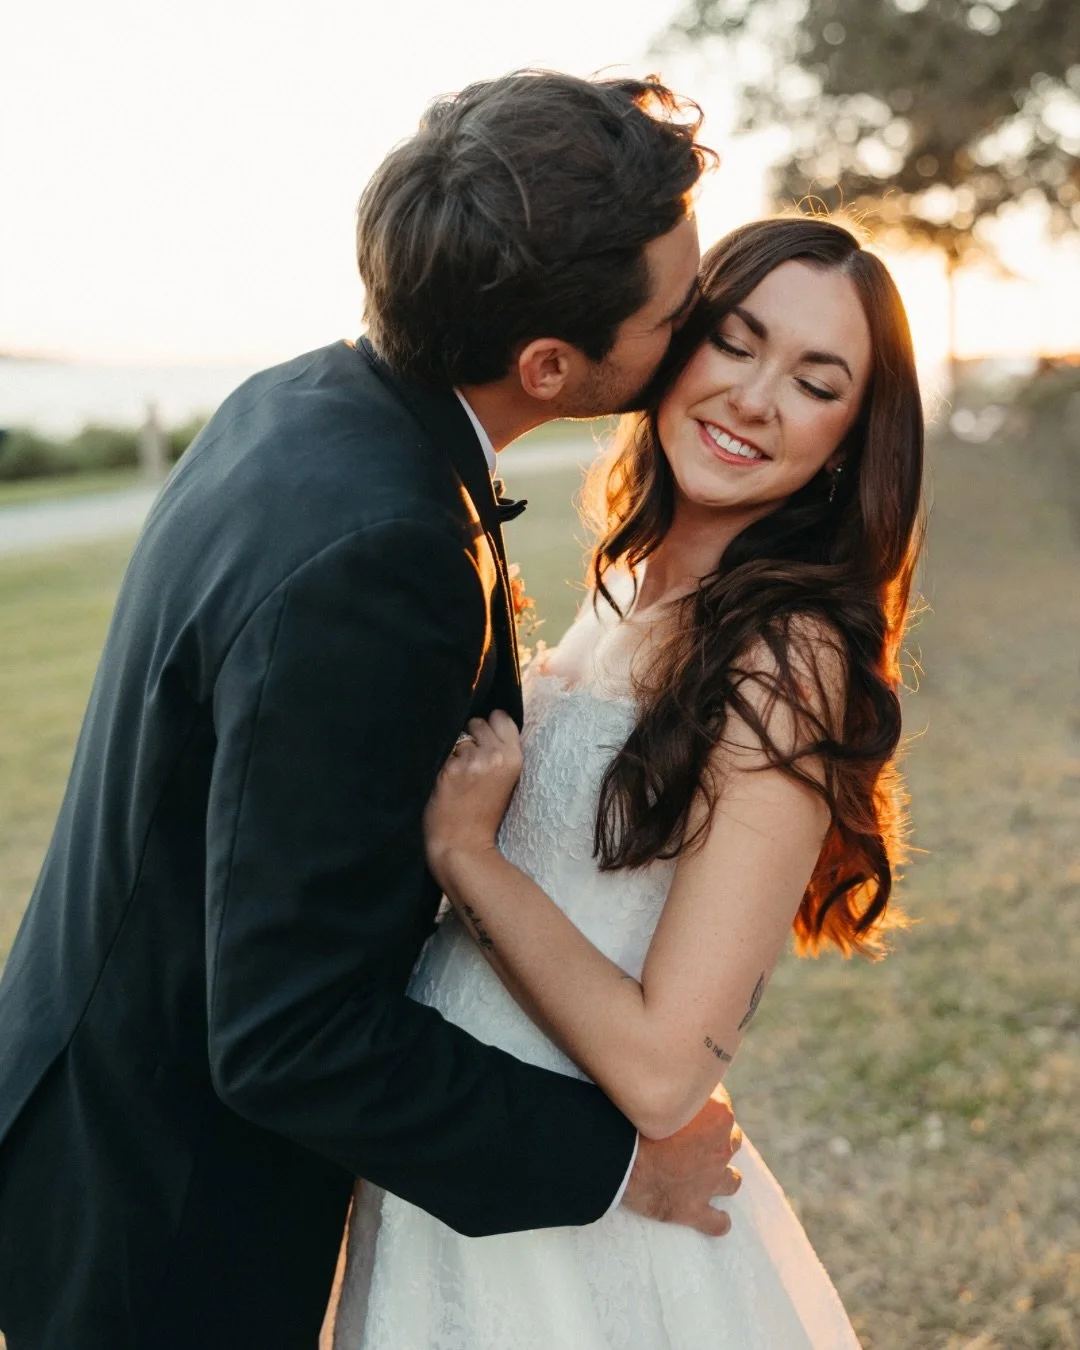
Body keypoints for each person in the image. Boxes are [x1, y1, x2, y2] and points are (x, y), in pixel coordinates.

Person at [0, 72, 744, 1350]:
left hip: (89, 1118)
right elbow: (291, 1034)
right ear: (552, 365)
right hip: (168, 1220)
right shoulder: (381, 557)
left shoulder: (301, 400)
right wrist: (621, 1168)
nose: (703, 329)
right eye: (679, 314)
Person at [331, 216, 925, 1348]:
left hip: (585, 1227)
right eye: (736, 343)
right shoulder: (628, 584)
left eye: (815, 381)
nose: (754, 398)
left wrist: (468, 857)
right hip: (474, 1170)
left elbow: (662, 1076)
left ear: (850, 439)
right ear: (675, 344)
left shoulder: (787, 653)